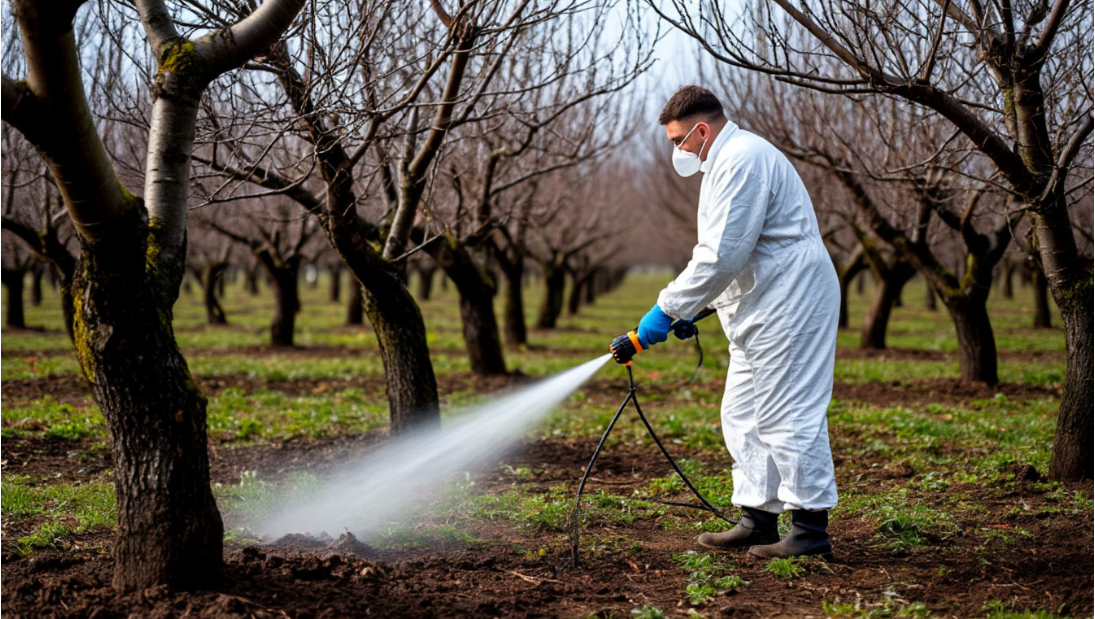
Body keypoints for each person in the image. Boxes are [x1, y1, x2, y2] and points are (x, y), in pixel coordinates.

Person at [628, 85, 840, 559]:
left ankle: (809, 530)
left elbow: (721, 255)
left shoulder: (743, 157)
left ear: (702, 130)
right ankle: (757, 518)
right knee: (742, 413)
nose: (675, 150)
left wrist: (667, 309)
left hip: (791, 300)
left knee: (787, 412)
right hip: (763, 301)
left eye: (678, 139)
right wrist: (701, 307)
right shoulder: (724, 162)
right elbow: (743, 251)